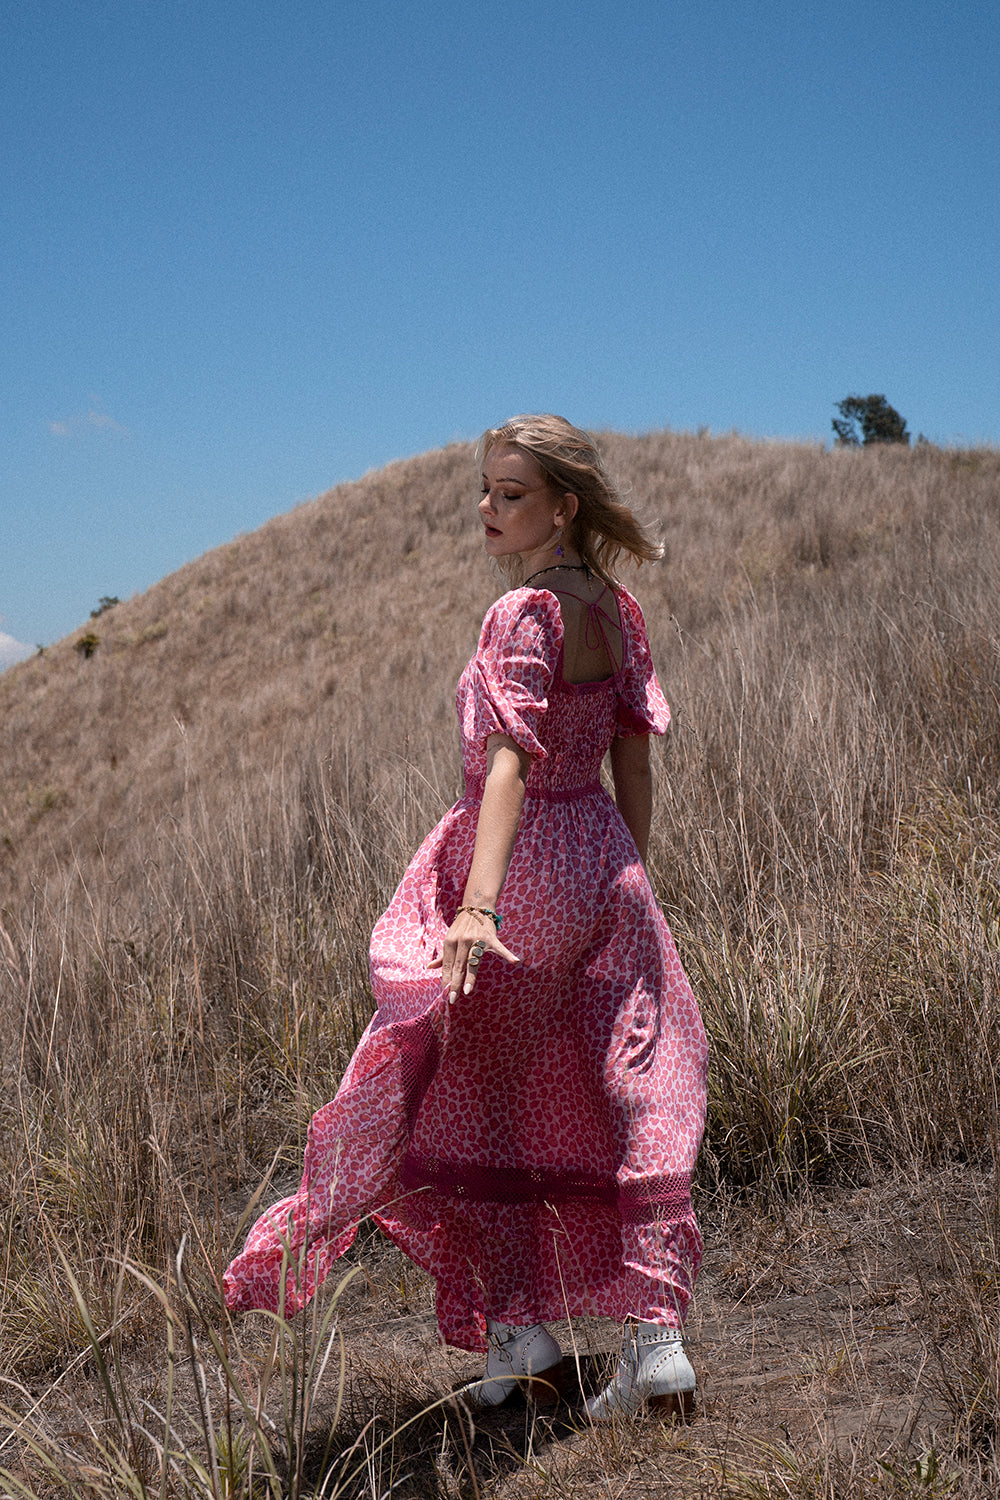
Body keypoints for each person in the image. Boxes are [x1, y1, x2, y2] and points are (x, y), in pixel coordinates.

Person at [224, 414, 708, 1420]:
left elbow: (507, 762)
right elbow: (634, 756)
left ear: (563, 505)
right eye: (485, 490)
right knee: (634, 1084)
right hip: (605, 863)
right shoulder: (618, 611)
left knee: (462, 1102)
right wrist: (628, 872)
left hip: (523, 867)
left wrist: (476, 907)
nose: (487, 510)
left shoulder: (521, 613)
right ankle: (653, 1339)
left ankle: (515, 1332)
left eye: (511, 494)